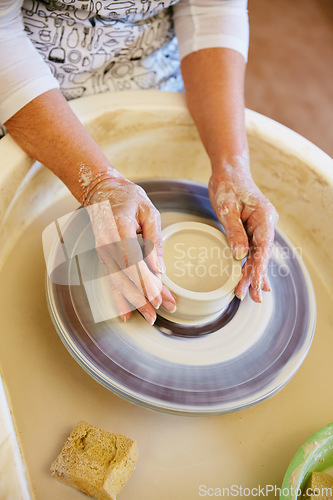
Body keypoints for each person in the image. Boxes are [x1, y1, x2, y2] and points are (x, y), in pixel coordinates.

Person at [0, 0, 278, 325]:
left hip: (151, 69)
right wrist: (99, 183)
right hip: (34, 87)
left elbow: (212, 8)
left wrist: (232, 166)